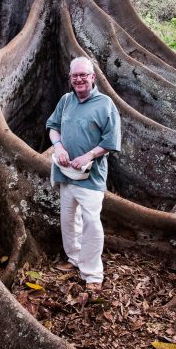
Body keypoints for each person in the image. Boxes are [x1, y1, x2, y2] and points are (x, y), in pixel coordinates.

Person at [46, 56, 121, 295]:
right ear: (70, 78)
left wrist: (89, 155)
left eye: (83, 75)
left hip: (91, 177)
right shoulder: (66, 100)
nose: (79, 79)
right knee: (68, 220)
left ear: (92, 77)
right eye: (74, 75)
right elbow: (53, 127)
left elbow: (111, 141)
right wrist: (58, 147)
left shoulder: (105, 104)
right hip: (65, 173)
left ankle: (92, 273)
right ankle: (74, 259)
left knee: (92, 224)